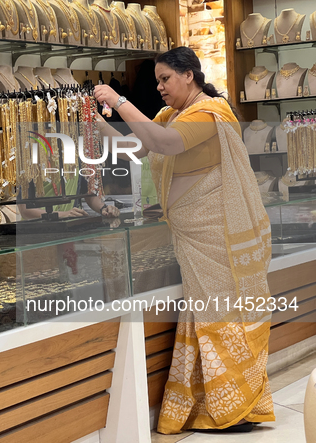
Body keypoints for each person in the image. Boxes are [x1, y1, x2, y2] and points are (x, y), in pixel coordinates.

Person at [94, 46, 274, 433]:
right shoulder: (171, 115)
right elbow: (135, 148)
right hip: (191, 238)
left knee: (224, 321)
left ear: (189, 75)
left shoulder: (209, 113)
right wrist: (90, 122)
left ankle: (238, 409)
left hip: (217, 238)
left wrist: (120, 100)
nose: (160, 87)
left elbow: (165, 144)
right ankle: (210, 406)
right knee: (204, 321)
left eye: (165, 79)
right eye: (157, 80)